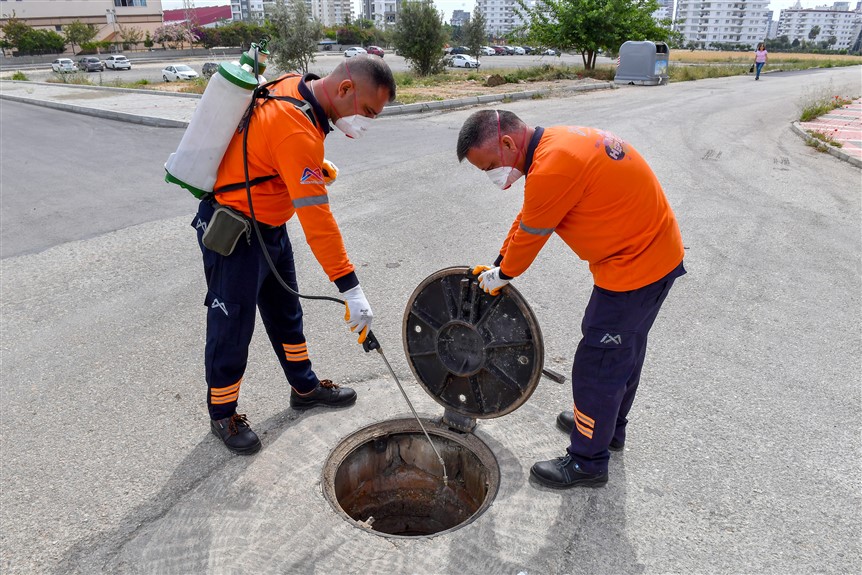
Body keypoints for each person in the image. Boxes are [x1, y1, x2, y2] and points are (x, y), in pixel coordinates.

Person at [457, 110, 685, 488]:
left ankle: (587, 461)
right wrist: (497, 265)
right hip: (655, 257)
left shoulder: (552, 167)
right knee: (624, 352)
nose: (492, 176)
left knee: (598, 364)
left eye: (490, 166)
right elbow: (528, 217)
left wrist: (505, 274)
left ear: (509, 144)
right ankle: (605, 427)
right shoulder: (556, 145)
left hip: (634, 270)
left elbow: (531, 234)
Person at [192, 55, 397, 455]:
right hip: (235, 231)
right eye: (369, 111)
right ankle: (222, 413)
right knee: (231, 326)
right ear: (343, 90)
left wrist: (312, 166)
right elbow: (318, 220)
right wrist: (350, 287)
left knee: (286, 312)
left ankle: (304, 387)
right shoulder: (297, 129)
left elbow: (269, 147)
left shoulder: (298, 85)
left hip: (269, 223)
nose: (367, 122)